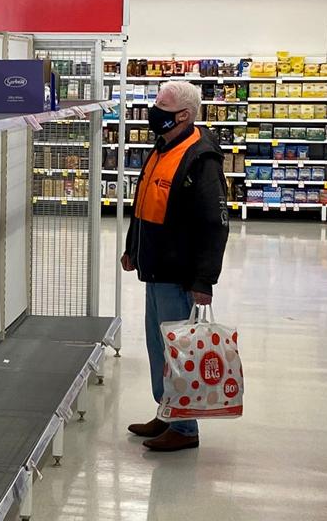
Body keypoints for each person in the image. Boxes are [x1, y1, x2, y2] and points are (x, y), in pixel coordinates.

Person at [122, 80, 230, 452]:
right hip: (154, 267)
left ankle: (184, 430)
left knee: (179, 350)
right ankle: (167, 413)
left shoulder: (201, 158)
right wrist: (132, 248)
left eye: (162, 106)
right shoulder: (163, 146)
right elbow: (144, 201)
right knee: (160, 347)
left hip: (179, 274)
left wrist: (204, 279)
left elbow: (215, 224)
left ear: (183, 115)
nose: (154, 111)